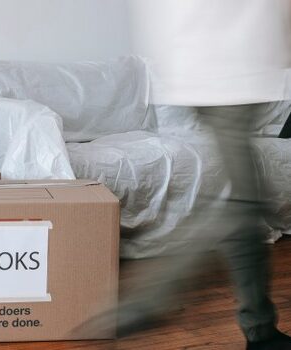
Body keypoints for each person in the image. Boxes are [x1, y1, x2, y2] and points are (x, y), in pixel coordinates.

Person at [85, 1, 291, 349]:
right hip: (231, 73)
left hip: (224, 71)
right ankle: (151, 299)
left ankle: (260, 328)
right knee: (243, 205)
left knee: (244, 203)